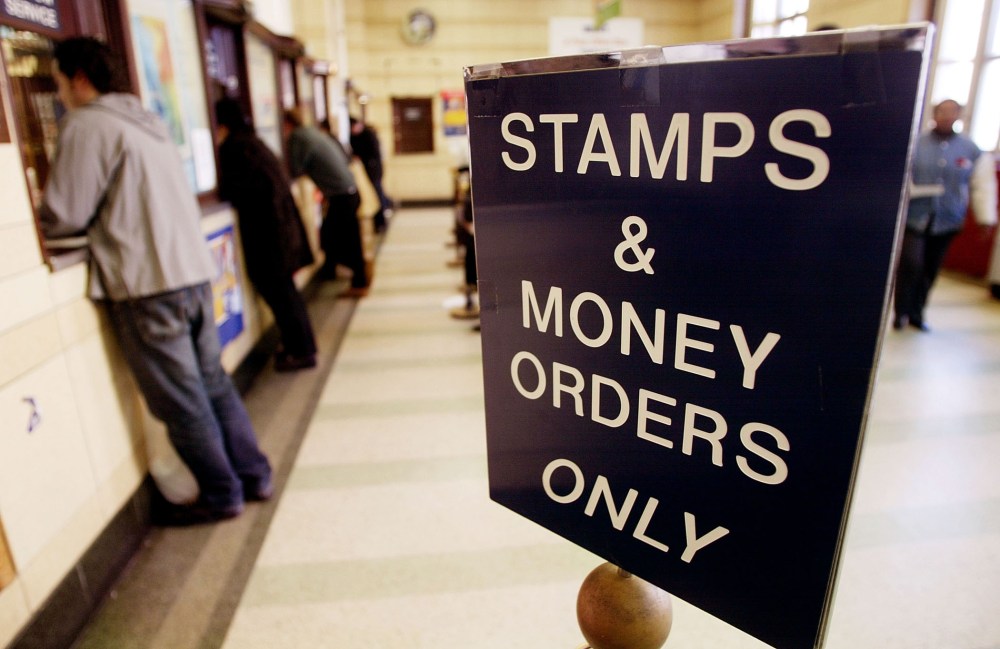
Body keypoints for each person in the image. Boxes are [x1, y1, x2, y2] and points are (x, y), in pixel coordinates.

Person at [39, 37, 272, 524]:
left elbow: (63, 214)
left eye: (59, 82)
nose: (59, 94)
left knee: (180, 398)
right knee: (212, 382)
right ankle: (254, 474)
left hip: (146, 284)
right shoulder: (147, 120)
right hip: (191, 272)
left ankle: (222, 492)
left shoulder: (87, 124)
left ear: (79, 78)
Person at [215, 98, 318, 371]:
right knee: (286, 294)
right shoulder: (254, 144)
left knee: (282, 296)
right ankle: (302, 346)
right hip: (281, 233)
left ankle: (302, 350)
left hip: (270, 238)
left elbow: (237, 190)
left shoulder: (236, 149)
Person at [893, 99, 997, 331]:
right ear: (934, 114)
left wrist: (985, 218)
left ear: (959, 116)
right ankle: (900, 312)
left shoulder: (971, 150)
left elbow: (982, 185)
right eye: (942, 112)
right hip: (915, 216)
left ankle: (917, 313)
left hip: (948, 217)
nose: (946, 117)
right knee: (911, 263)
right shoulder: (916, 143)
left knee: (930, 267)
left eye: (951, 113)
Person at [283, 109, 371, 297]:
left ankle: (359, 278)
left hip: (341, 195)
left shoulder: (297, 137)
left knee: (338, 237)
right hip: (349, 191)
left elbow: (295, 169)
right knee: (336, 235)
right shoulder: (312, 133)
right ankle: (337, 271)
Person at [349, 116, 393, 232]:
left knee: (377, 193)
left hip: (373, 170)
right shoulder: (355, 137)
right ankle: (380, 219)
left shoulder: (368, 135)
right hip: (370, 170)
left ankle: (381, 221)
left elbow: (372, 154)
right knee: (376, 193)